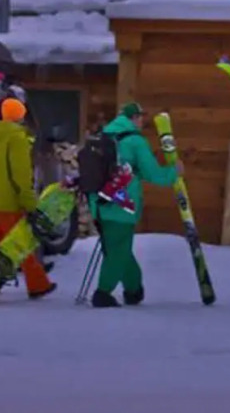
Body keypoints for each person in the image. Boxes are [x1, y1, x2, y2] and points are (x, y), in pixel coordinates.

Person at [89, 102, 177, 308]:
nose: (142, 121)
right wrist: (174, 172)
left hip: (99, 202)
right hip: (122, 203)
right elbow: (152, 173)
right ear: (133, 118)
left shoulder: (102, 137)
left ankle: (134, 289)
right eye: (139, 117)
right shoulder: (135, 141)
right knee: (118, 250)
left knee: (118, 249)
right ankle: (103, 293)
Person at [0, 97, 56, 300]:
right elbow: (21, 174)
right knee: (21, 243)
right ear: (20, 115)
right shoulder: (17, 137)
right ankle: (37, 285)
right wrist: (30, 203)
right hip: (8, 201)